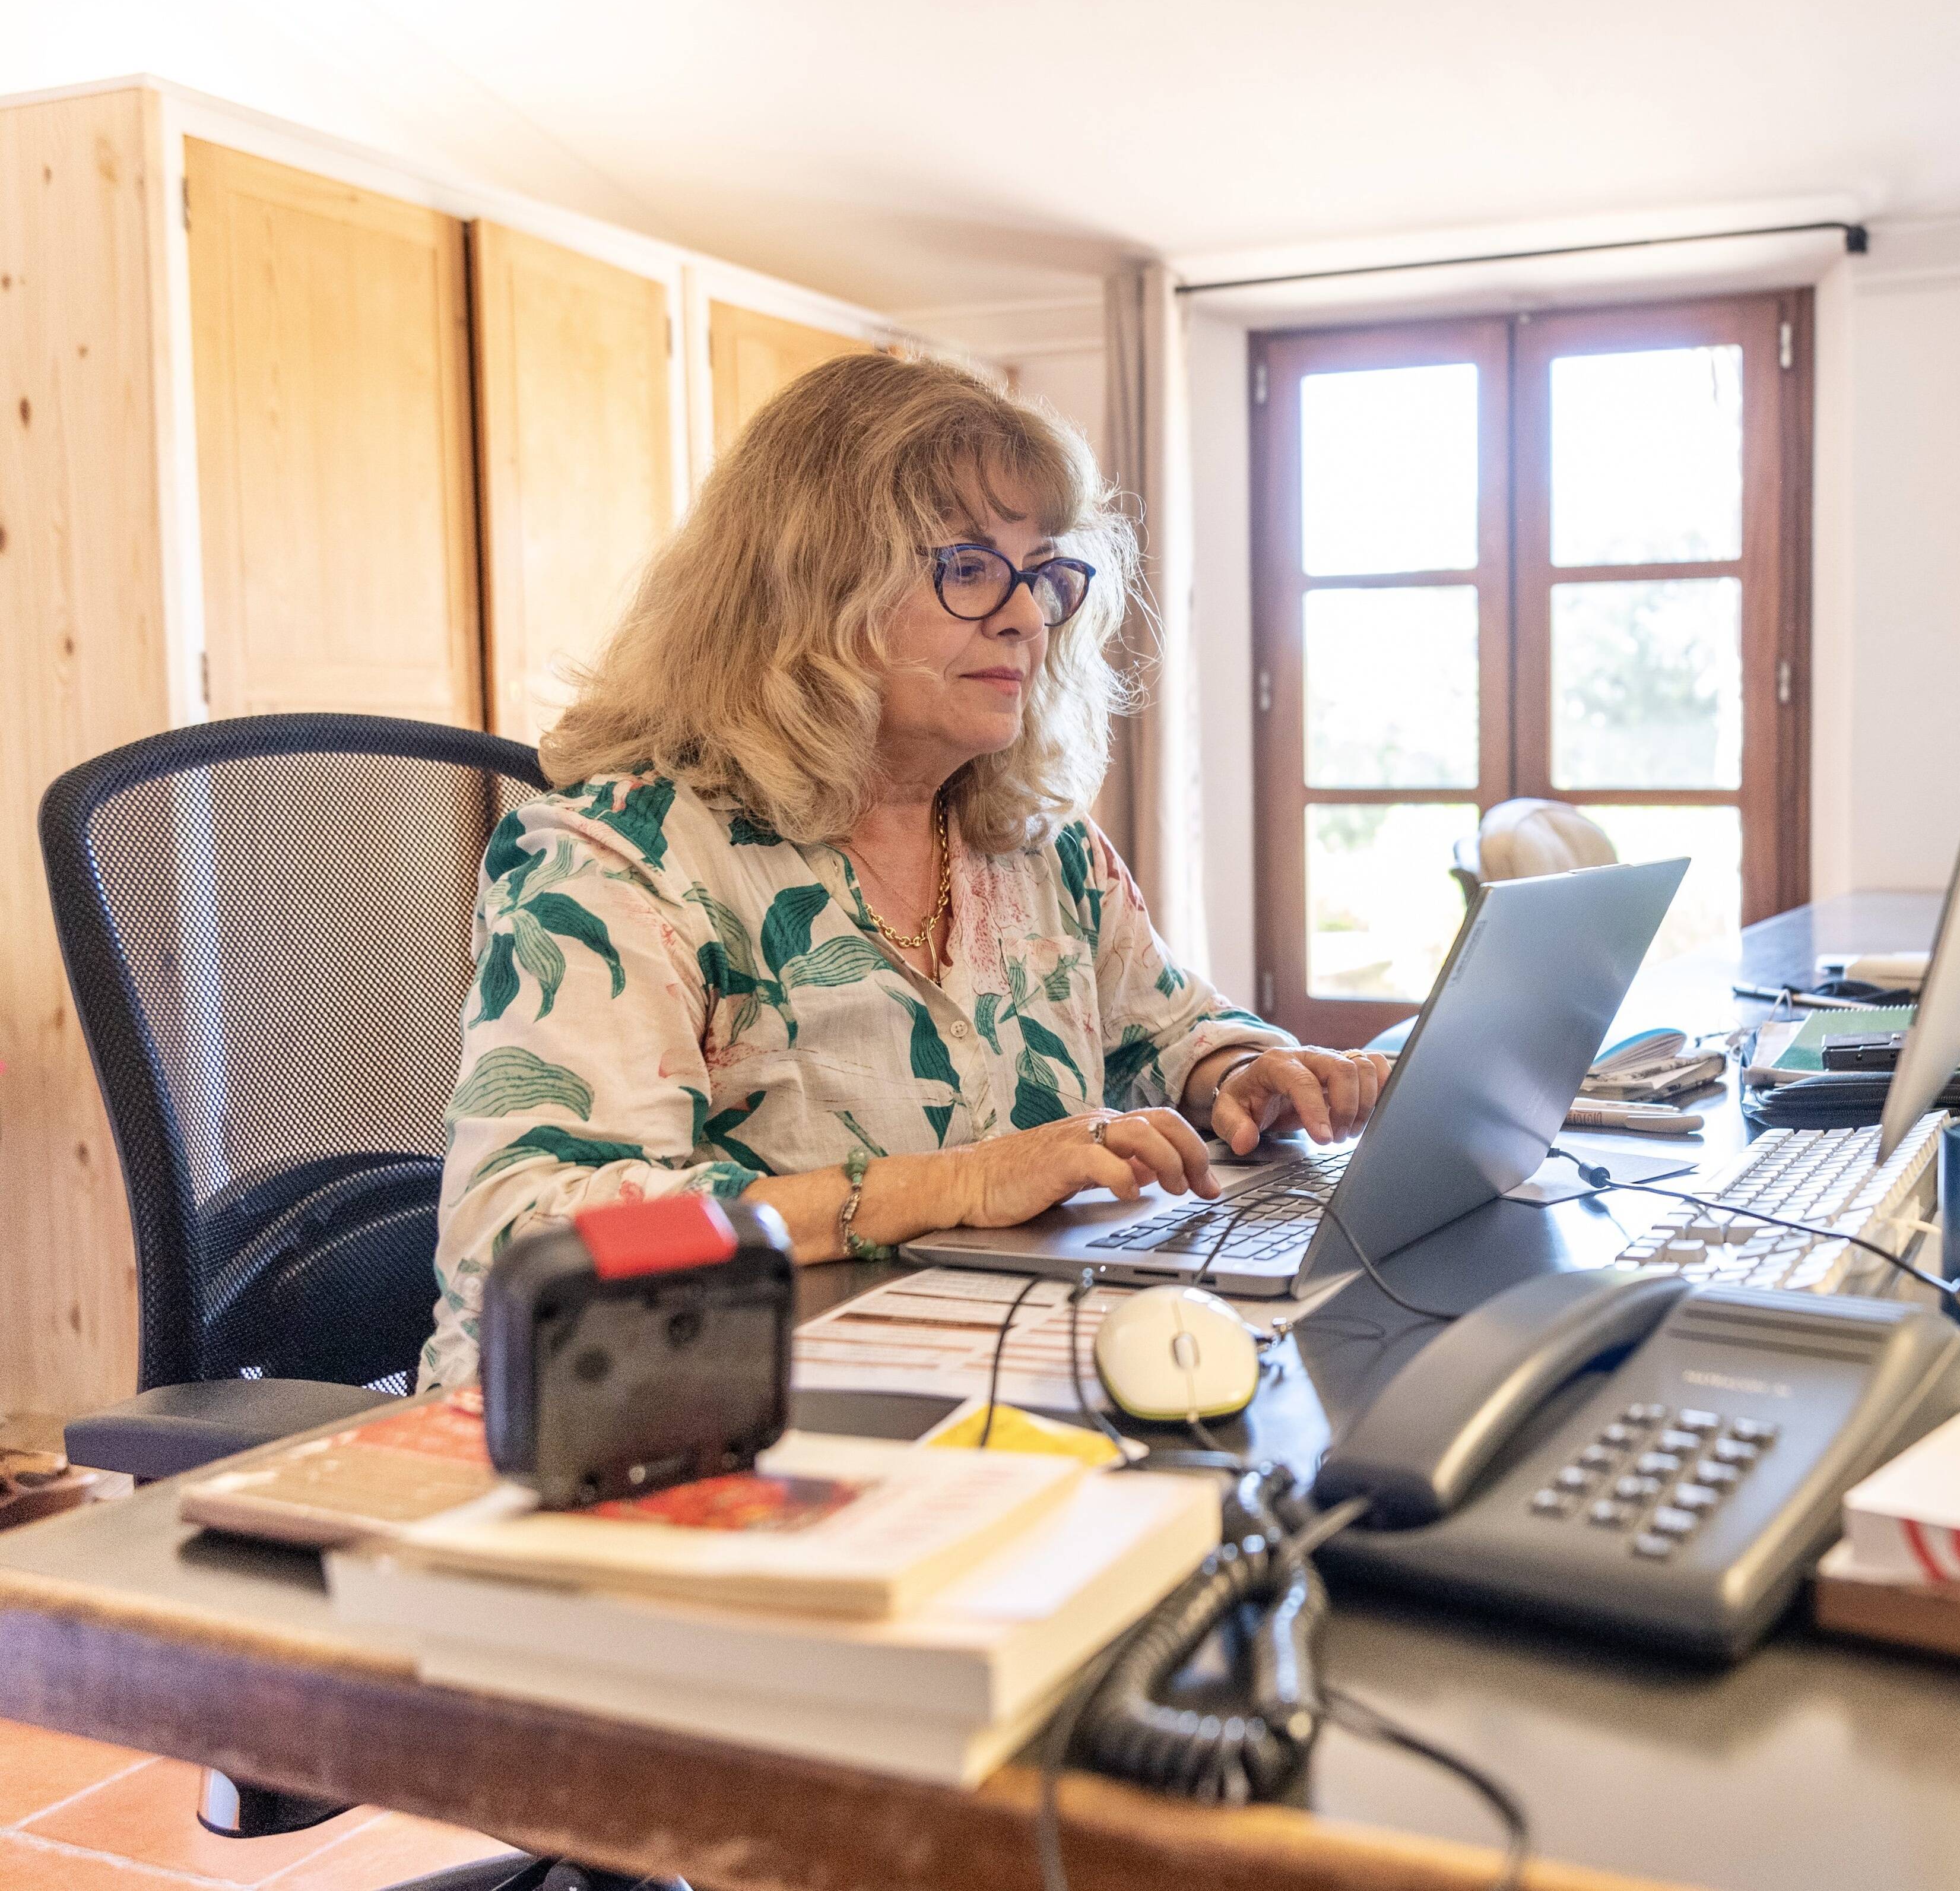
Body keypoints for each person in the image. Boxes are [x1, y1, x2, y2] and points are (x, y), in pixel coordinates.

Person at [420, 354, 1388, 1388]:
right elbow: (526, 1231)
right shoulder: (621, 858)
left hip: (961, 1379)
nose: (1026, 617)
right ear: (811, 589)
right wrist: (958, 1184)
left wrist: (1242, 1072)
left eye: (1042, 574)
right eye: (969, 568)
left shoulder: (1044, 851)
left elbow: (1167, 1029)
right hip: (633, 1417)